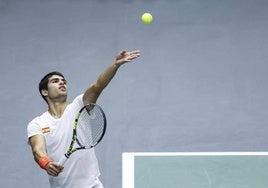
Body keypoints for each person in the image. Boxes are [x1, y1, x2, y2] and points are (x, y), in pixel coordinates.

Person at [27, 50, 141, 188]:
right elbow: (38, 149)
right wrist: (46, 163)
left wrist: (115, 65)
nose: (62, 83)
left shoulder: (79, 106)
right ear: (45, 91)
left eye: (64, 81)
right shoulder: (38, 123)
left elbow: (97, 86)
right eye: (55, 81)